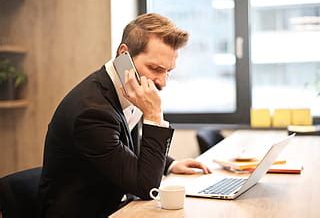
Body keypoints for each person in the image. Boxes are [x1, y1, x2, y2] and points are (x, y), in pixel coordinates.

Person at [38, 13, 211, 218]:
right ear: (124, 55)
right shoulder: (91, 112)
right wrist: (154, 115)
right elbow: (146, 187)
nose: (162, 82)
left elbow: (124, 141)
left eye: (168, 71)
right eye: (155, 68)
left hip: (117, 205)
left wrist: (170, 164)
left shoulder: (126, 86)